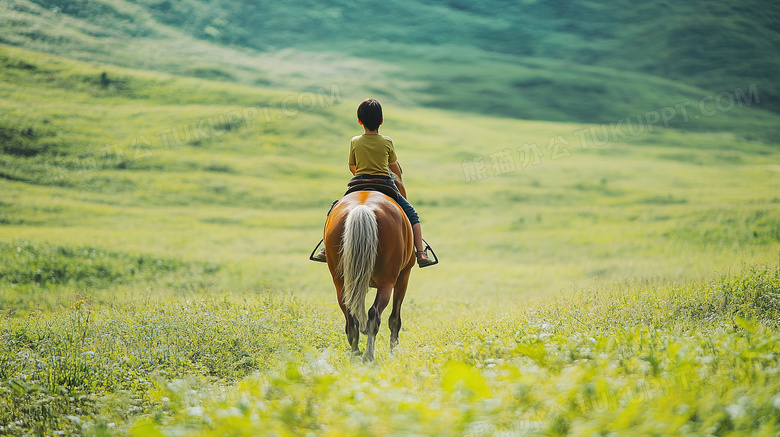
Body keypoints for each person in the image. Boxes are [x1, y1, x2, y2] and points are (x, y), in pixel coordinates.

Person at [314, 98, 434, 267]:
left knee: (334, 209)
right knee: (412, 214)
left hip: (358, 183)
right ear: (382, 121)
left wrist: (362, 174)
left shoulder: (355, 141)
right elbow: (394, 167)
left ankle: (326, 248)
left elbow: (351, 166)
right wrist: (398, 180)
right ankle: (420, 253)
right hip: (384, 183)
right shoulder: (387, 142)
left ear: (359, 121)